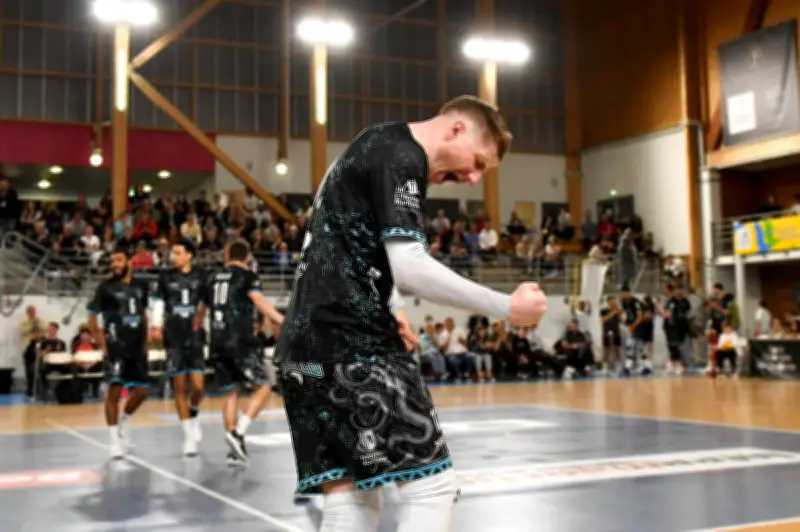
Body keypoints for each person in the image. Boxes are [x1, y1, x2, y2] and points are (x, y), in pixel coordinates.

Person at [274, 95, 547, 532]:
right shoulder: (403, 155)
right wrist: (507, 308)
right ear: (456, 129)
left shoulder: (371, 144)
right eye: (477, 162)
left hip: (303, 348)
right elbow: (410, 267)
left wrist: (395, 307)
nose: (473, 178)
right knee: (432, 489)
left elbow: (345, 239)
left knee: (352, 499)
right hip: (354, 344)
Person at [203, 240, 284, 466]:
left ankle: (234, 452)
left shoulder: (211, 278)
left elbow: (201, 310)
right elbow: (259, 301)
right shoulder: (247, 276)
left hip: (217, 340)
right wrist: (282, 320)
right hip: (240, 340)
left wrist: (197, 326)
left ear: (226, 255)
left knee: (231, 393)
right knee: (264, 387)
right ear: (247, 257)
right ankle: (239, 432)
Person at [87, 248, 151, 459]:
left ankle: (124, 419)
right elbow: (92, 318)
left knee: (142, 391)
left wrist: (146, 340)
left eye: (119, 260)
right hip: (115, 346)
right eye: (112, 261)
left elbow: (143, 314)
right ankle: (114, 441)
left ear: (129, 262)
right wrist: (101, 343)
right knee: (114, 392)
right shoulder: (105, 287)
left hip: (137, 347)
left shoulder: (141, 286)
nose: (114, 264)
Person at [150, 239, 207, 457]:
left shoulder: (202, 276)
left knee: (199, 387)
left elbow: (207, 302)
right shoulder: (165, 277)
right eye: (173, 252)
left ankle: (194, 412)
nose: (174, 256)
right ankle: (188, 436)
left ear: (189, 255)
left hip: (195, 336)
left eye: (178, 252)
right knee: (180, 387)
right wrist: (156, 325)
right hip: (173, 337)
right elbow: (158, 302)